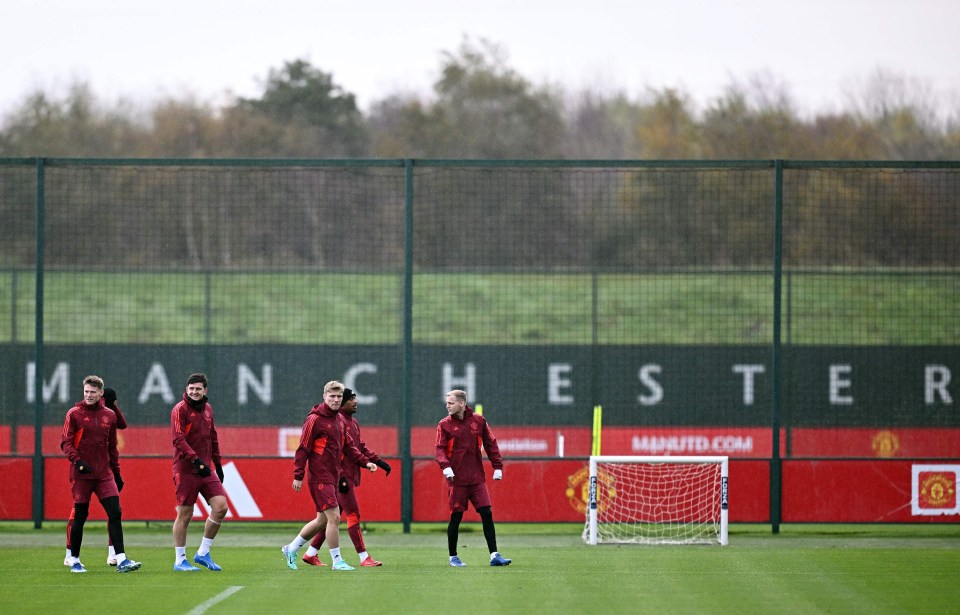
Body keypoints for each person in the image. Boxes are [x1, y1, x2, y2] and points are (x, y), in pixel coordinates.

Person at [281, 380, 378, 571]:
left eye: (338, 397)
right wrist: (298, 475)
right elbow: (303, 448)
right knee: (334, 517)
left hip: (333, 477)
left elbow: (350, 446)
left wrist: (366, 462)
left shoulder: (340, 420)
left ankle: (291, 548)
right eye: (332, 396)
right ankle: (337, 561)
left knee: (322, 520)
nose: (335, 400)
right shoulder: (314, 420)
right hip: (319, 476)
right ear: (324, 396)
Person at [302, 387, 392, 567]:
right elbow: (340, 453)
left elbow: (359, 447)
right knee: (353, 515)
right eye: (352, 399)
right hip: (339, 478)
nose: (355, 401)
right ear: (343, 402)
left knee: (329, 520)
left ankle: (311, 552)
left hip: (346, 476)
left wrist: (378, 462)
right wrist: (341, 477)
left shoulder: (352, 422)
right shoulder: (338, 421)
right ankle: (363, 557)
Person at [60, 375, 141, 573]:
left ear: (100, 393)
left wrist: (117, 472)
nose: (89, 395)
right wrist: (77, 461)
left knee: (115, 512)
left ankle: (121, 559)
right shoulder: (74, 414)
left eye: (93, 392)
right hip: (81, 474)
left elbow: (112, 447)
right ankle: (75, 560)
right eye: (86, 391)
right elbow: (66, 442)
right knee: (81, 514)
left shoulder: (109, 415)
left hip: (104, 474)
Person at [435, 389, 511, 567]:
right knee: (456, 517)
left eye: (451, 403)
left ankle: (495, 555)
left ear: (462, 403)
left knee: (487, 513)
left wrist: (497, 466)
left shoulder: (478, 420)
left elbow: (490, 443)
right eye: (447, 403)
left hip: (477, 478)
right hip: (457, 480)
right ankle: (453, 557)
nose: (447, 406)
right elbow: (439, 449)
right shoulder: (444, 425)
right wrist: (446, 467)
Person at [170, 372, 228, 572]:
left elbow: (213, 437)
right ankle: (180, 560)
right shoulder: (179, 410)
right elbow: (178, 439)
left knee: (221, 507)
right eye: (191, 389)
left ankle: (203, 552)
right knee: (185, 514)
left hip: (206, 468)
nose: (194, 392)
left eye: (198, 389)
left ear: (205, 391)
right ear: (186, 390)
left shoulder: (208, 409)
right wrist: (195, 460)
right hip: (186, 469)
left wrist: (218, 465)